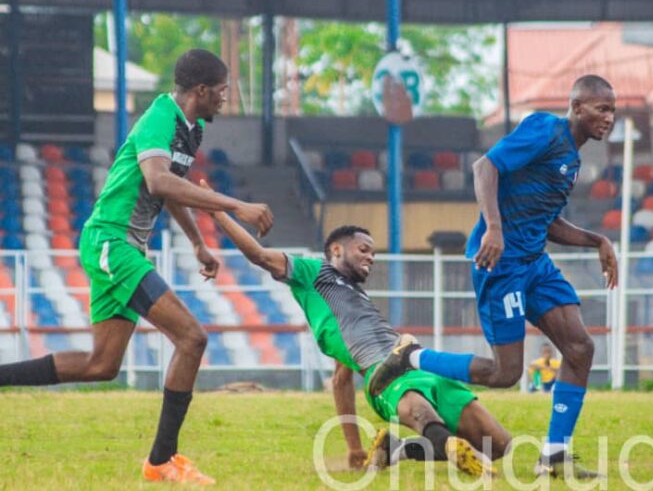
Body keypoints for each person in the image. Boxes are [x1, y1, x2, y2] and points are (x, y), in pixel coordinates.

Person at [0, 49, 274, 485]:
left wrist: (199, 243)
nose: (226, 97)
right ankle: (162, 461)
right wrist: (237, 205)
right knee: (192, 337)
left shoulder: (192, 129)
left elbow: (172, 188)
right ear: (201, 91)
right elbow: (158, 180)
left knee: (101, 365)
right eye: (223, 90)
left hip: (122, 246)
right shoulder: (159, 118)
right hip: (112, 242)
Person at [368, 74, 619, 479]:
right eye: (601, 108)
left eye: (612, 110)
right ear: (576, 108)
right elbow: (485, 166)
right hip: (500, 265)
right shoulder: (544, 129)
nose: (609, 117)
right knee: (505, 374)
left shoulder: (572, 159)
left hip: (534, 263)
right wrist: (494, 228)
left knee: (580, 348)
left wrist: (597, 240)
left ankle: (554, 456)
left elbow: (547, 221)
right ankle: (409, 358)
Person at [203, 195, 510, 477]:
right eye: (364, 249)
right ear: (336, 250)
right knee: (421, 413)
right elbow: (258, 255)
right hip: (386, 376)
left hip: (426, 369)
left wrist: (353, 448)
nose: (371, 257)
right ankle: (451, 448)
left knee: (500, 446)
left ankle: (398, 449)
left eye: (373, 253)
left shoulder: (358, 299)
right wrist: (219, 211)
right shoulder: (314, 274)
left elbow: (340, 380)